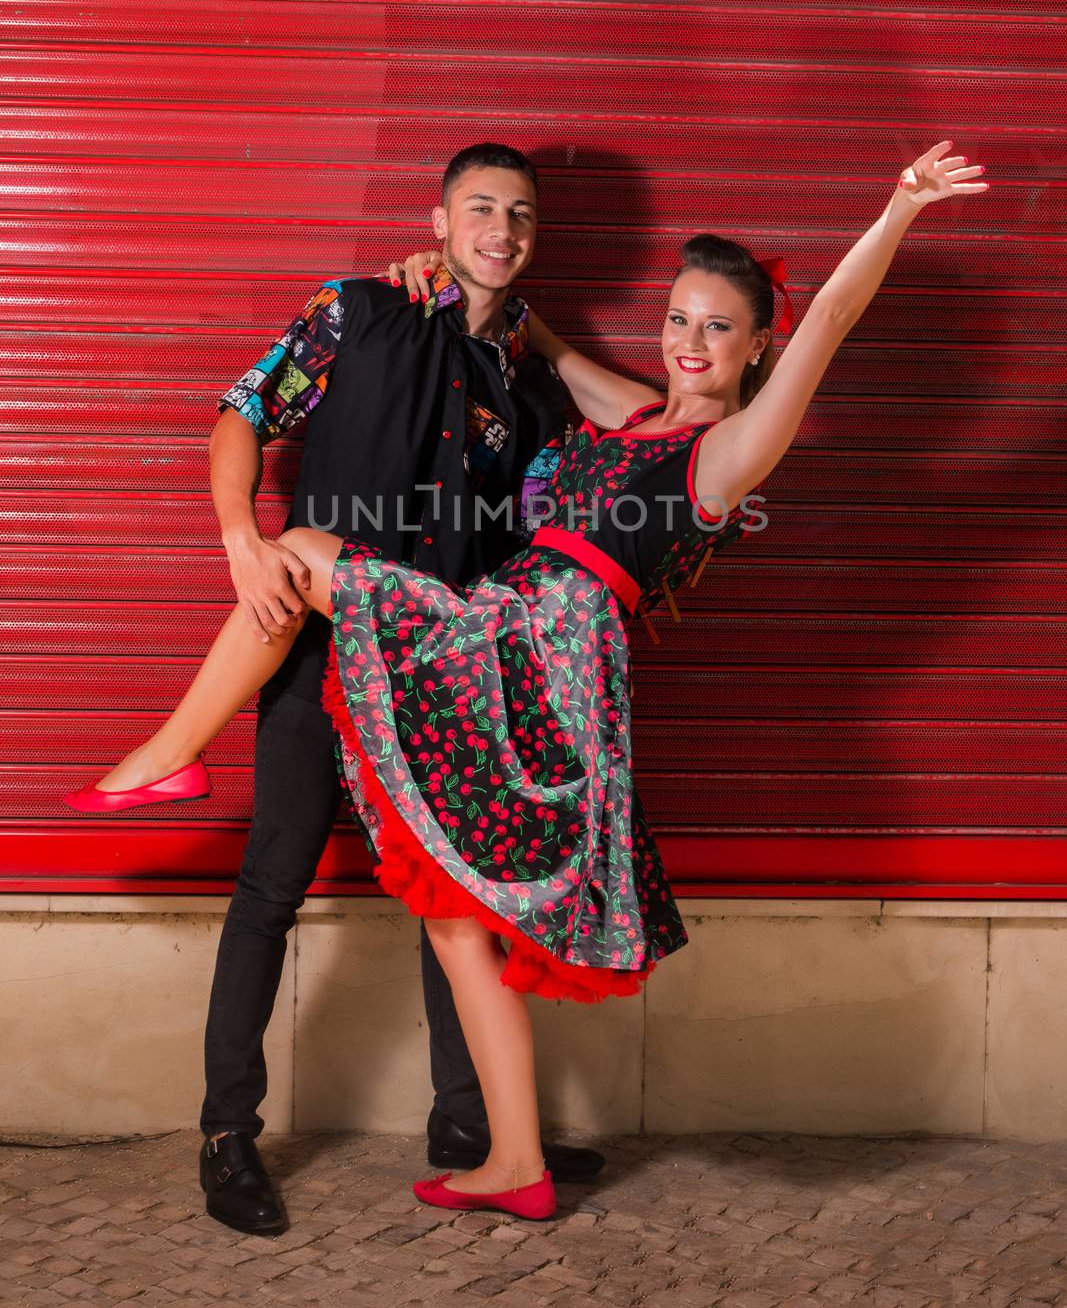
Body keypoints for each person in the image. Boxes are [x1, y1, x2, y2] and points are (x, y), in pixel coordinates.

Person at [72, 138, 987, 1225]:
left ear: (756, 346)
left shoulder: (725, 447)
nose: (691, 342)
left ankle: (168, 755)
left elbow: (825, 325)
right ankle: (491, 1154)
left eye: (719, 327)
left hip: (517, 650)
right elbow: (530, 357)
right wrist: (487, 300)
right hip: (471, 635)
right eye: (678, 319)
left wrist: (896, 206)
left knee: (309, 549)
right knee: (443, 910)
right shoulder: (618, 410)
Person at [63, 142, 605, 1235]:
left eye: (521, 216)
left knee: (457, 905)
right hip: (314, 655)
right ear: (442, 222)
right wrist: (244, 542)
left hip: (445, 680)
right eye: (481, 209)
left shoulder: (535, 389)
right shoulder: (357, 311)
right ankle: (227, 1133)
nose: (500, 230)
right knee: (270, 886)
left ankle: (472, 1126)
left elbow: (585, 489)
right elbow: (240, 412)